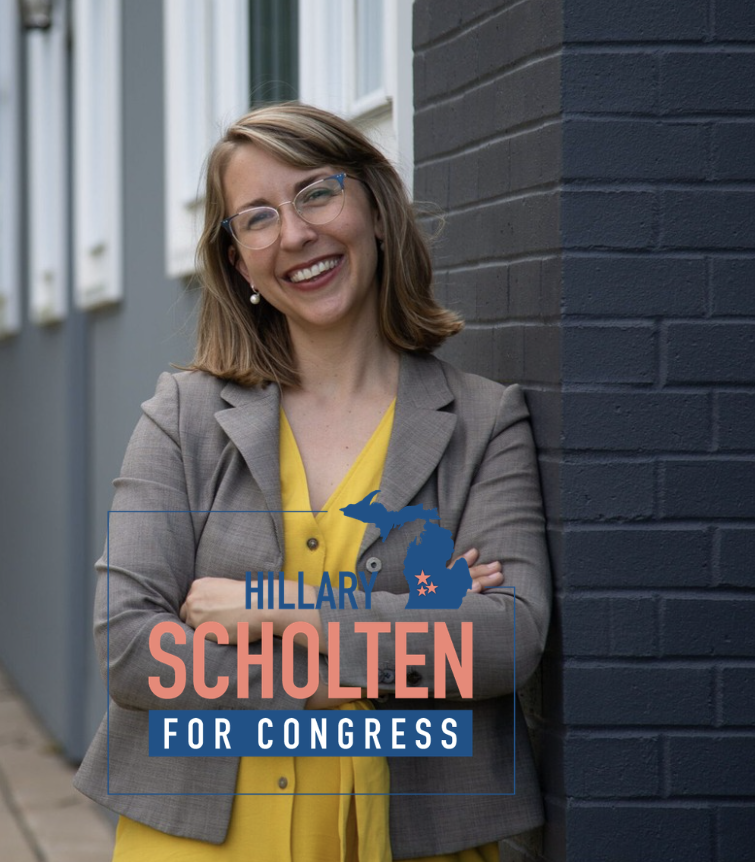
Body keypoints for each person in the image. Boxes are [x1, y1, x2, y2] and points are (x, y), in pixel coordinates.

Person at [73, 102, 552, 862]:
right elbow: (130, 645)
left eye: (317, 193)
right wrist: (362, 667)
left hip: (416, 841)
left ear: (377, 210)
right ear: (240, 262)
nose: (295, 234)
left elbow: (507, 638)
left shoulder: (484, 421)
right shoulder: (184, 417)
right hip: (201, 843)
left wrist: (276, 609)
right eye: (257, 218)